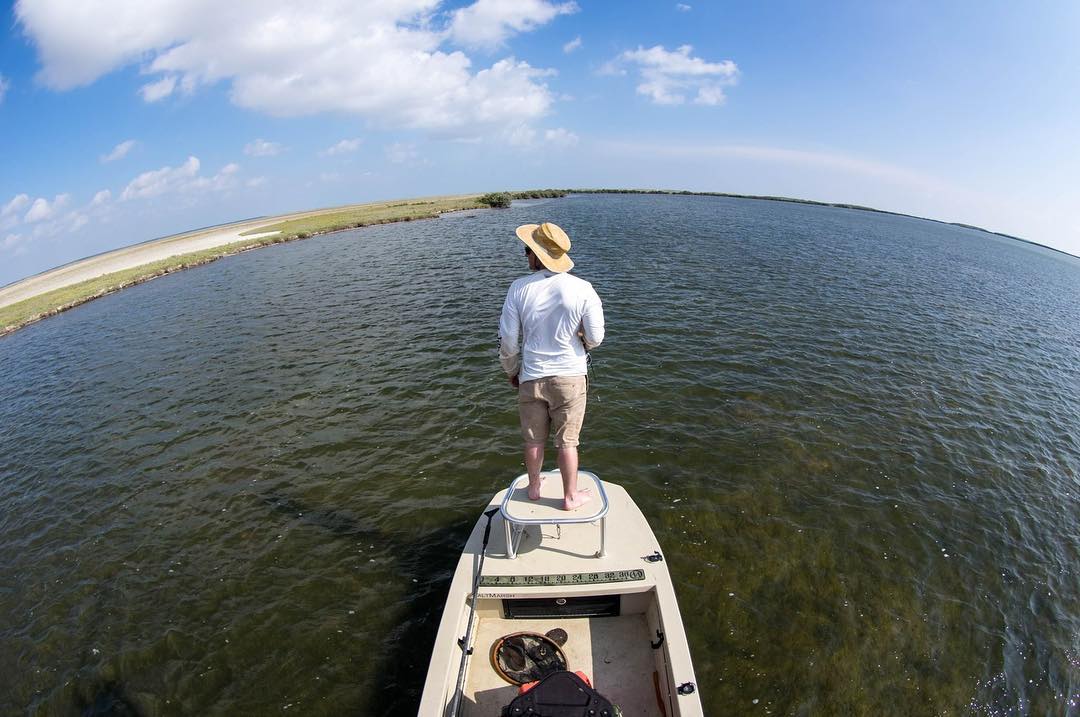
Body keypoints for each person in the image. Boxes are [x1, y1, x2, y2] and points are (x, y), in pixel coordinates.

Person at [499, 222, 605, 510]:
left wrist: (512, 371)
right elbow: (596, 337)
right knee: (568, 442)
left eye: (527, 251)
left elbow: (508, 340)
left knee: (533, 440)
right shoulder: (584, 288)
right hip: (570, 377)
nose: (525, 256)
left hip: (531, 377)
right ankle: (570, 497)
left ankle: (534, 488)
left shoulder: (518, 288)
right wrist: (582, 339)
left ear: (537, 255)